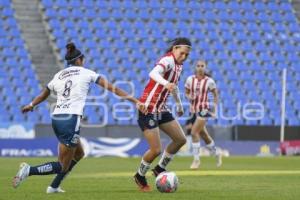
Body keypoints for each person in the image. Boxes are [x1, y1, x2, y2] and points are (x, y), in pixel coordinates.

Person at [12, 43, 147, 193]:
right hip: (70, 119)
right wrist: (135, 101)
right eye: (83, 59)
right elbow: (112, 88)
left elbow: (45, 92)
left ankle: (54, 186)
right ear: (79, 60)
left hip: (57, 117)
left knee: (79, 153)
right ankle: (29, 170)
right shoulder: (86, 73)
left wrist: (31, 104)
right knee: (62, 164)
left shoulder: (59, 75)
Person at [133, 37, 192, 192]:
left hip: (162, 109)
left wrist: (179, 105)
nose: (184, 57)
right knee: (156, 150)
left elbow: (174, 87)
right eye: (182, 53)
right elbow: (153, 73)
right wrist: (165, 83)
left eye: (187, 55)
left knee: (180, 139)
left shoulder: (179, 66)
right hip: (148, 108)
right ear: (174, 49)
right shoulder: (167, 60)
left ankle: (159, 169)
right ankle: (139, 175)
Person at [184, 60, 222, 169]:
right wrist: (189, 97)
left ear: (205, 67)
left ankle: (196, 160)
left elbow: (215, 95)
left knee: (194, 132)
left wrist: (214, 110)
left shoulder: (209, 81)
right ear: (195, 67)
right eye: (198, 66)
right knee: (204, 136)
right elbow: (186, 92)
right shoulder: (190, 79)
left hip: (204, 109)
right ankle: (217, 154)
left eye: (202, 66)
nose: (200, 68)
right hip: (193, 110)